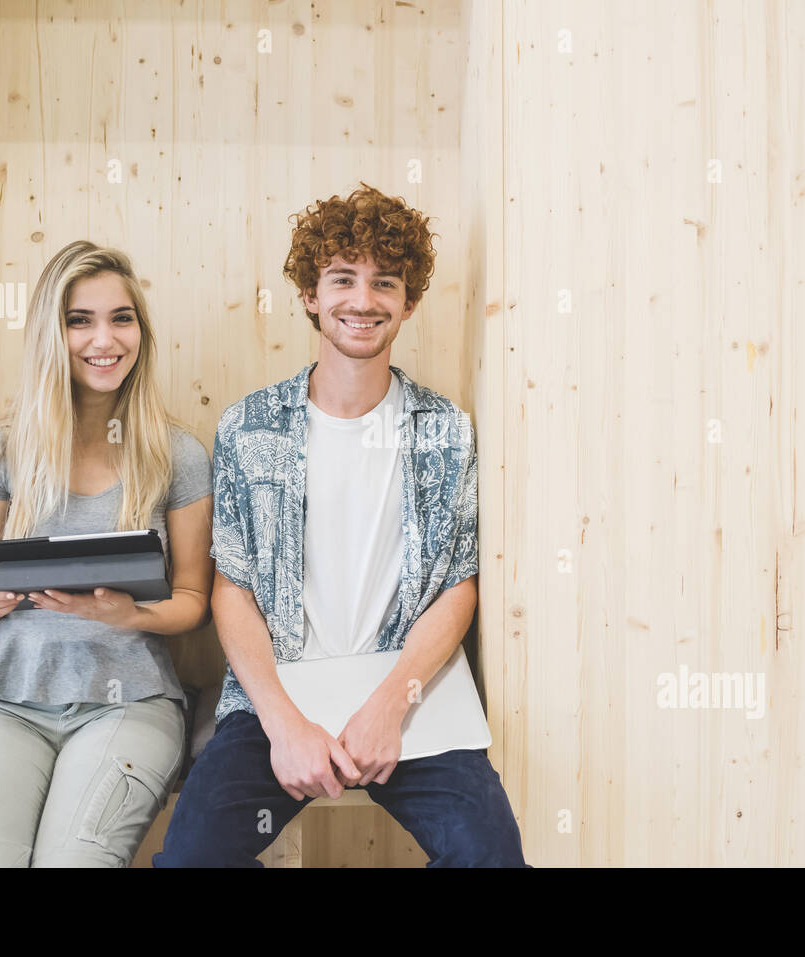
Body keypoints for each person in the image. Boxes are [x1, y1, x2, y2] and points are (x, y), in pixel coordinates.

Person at [155, 184, 527, 867]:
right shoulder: (249, 426)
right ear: (309, 294)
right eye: (343, 279)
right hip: (279, 693)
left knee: (492, 857)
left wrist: (394, 704)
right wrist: (283, 722)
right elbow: (230, 591)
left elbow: (458, 587)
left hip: (409, 693)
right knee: (189, 859)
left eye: (385, 282)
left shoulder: (444, 431)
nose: (363, 300)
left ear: (408, 301)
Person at [0, 241, 215, 867]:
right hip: (5, 698)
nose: (103, 338)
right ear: (50, 334)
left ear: (141, 330)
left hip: (130, 703)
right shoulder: (1, 450)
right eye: (78, 319)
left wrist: (132, 616)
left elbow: (194, 600)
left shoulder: (179, 456)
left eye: (121, 317)